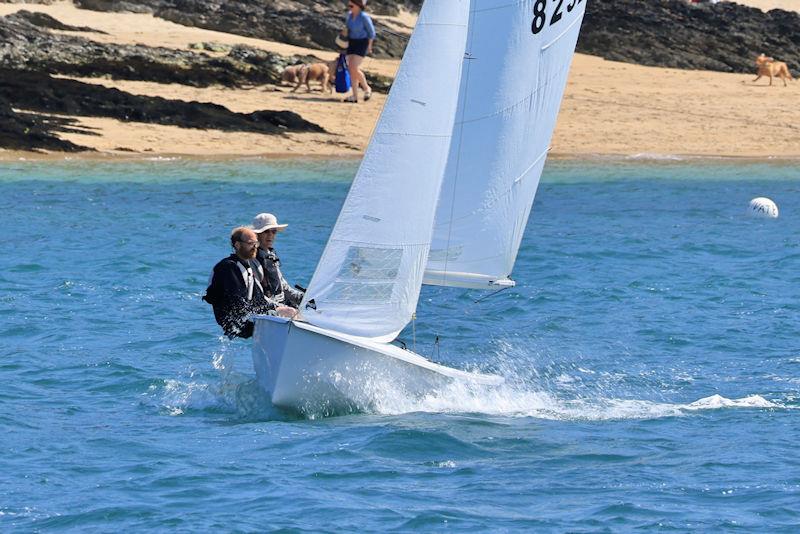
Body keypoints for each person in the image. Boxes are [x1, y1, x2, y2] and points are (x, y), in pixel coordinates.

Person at [203, 226, 296, 339]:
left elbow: (259, 298)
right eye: (251, 243)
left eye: (256, 243)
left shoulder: (247, 267)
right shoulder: (228, 267)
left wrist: (279, 308)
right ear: (237, 245)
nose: (255, 247)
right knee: (283, 318)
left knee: (292, 312)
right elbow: (237, 303)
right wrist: (274, 311)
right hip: (234, 322)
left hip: (247, 317)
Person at [250, 213, 305, 309]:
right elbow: (257, 295)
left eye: (274, 231)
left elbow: (283, 288)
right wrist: (280, 308)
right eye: (266, 231)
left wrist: (304, 297)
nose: (270, 235)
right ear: (257, 234)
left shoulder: (271, 256)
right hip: (267, 310)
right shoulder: (252, 259)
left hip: (280, 305)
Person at [343, 0, 376, 103]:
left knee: (353, 67)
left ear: (358, 6)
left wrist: (369, 46)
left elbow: (371, 33)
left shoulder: (364, 17)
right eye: (349, 5)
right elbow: (347, 29)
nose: (349, 7)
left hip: (362, 43)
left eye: (351, 5)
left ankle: (366, 88)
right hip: (351, 43)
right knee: (351, 69)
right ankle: (354, 96)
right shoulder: (349, 15)